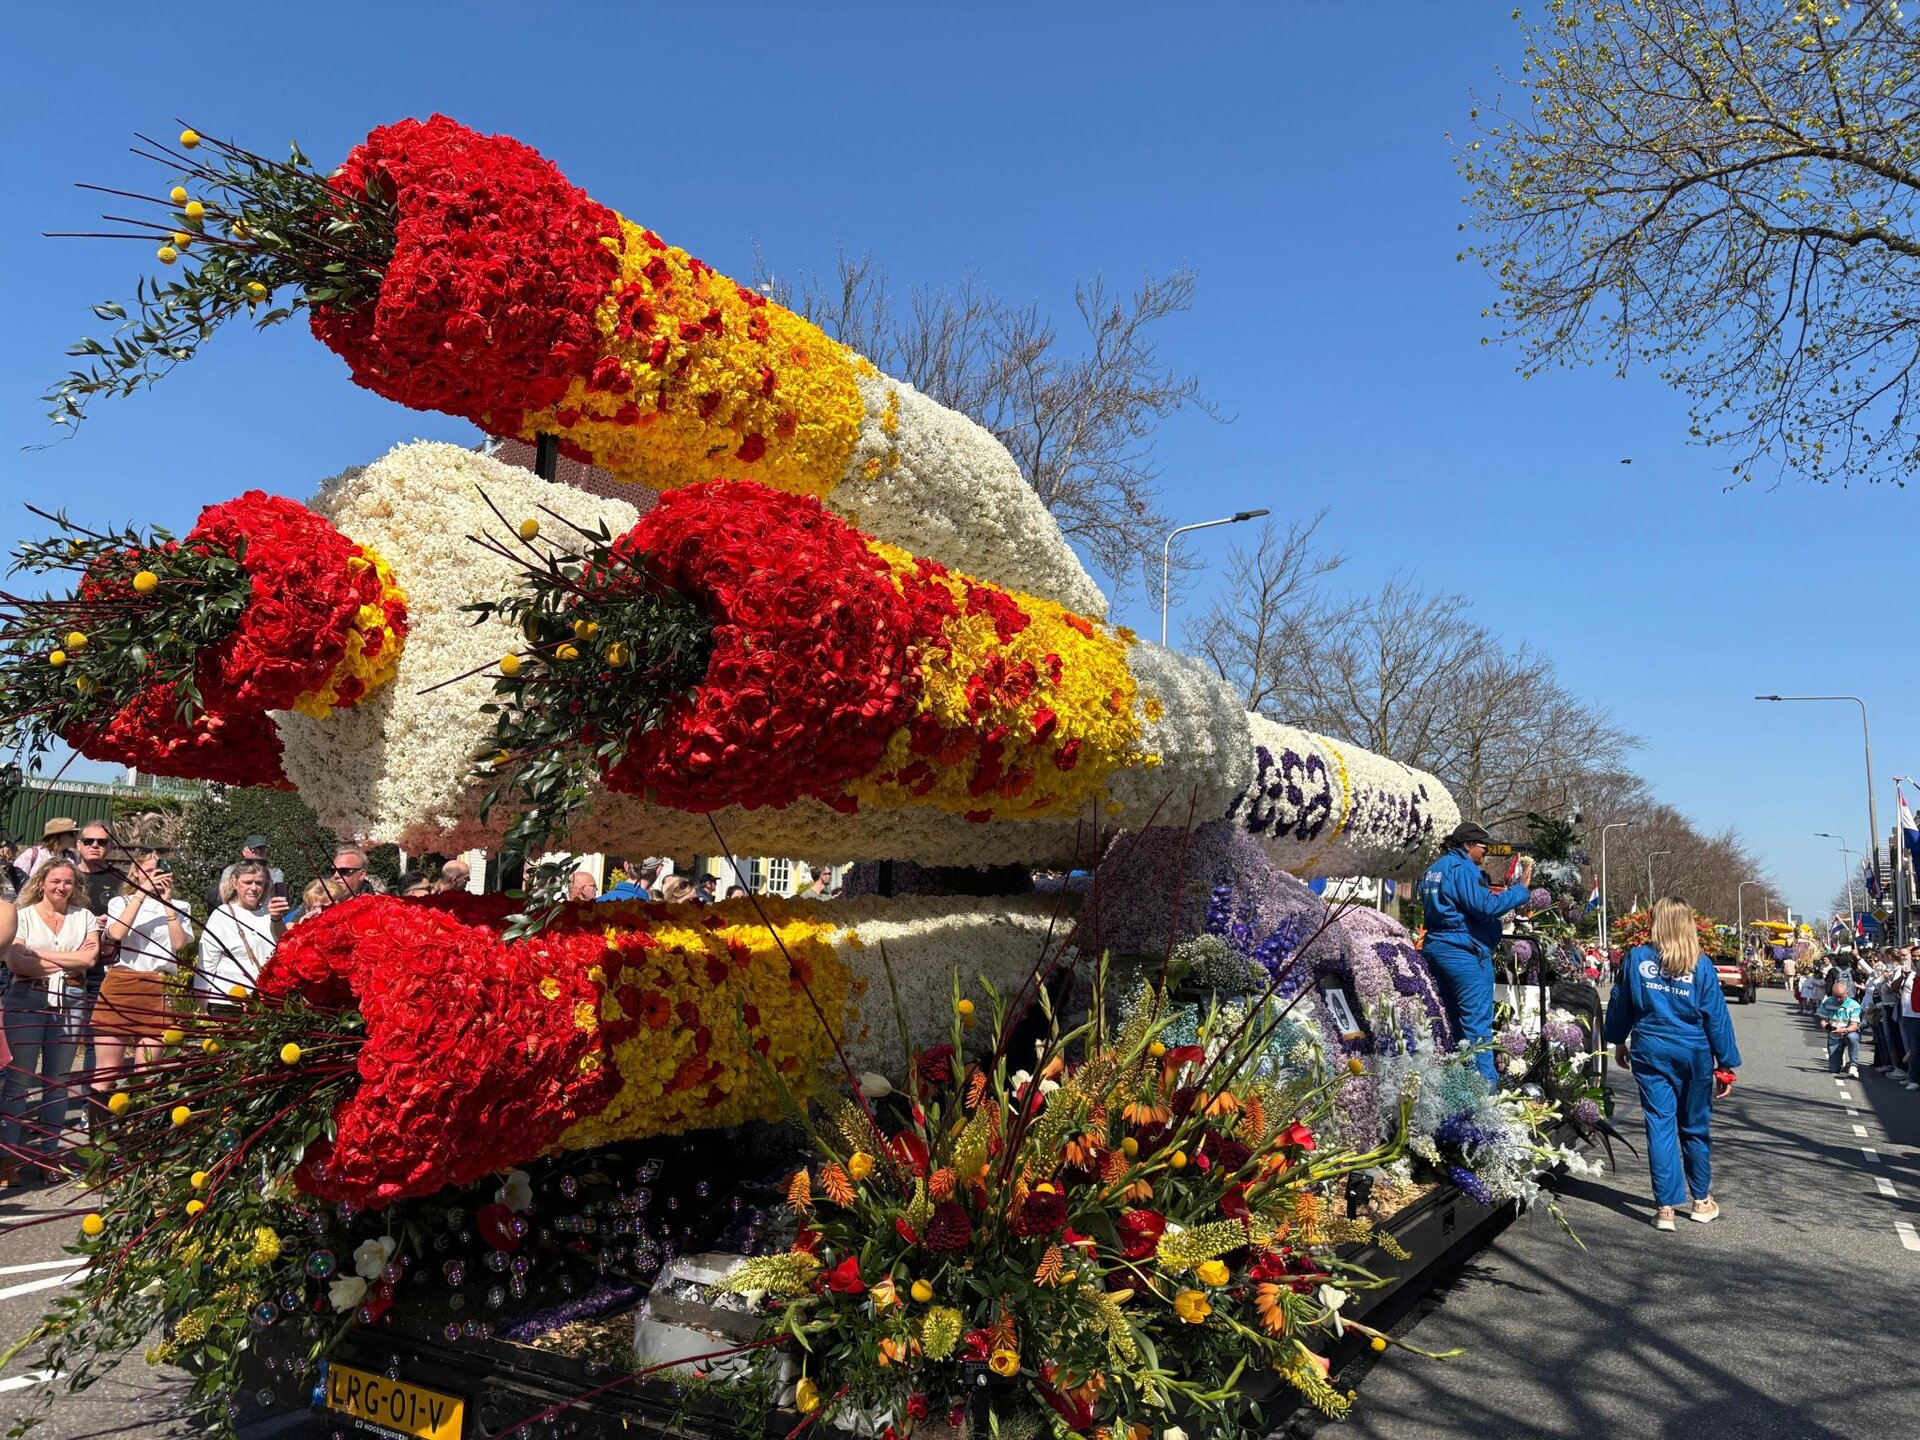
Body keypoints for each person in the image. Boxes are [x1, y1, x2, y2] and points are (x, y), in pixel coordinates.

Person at [1604, 896, 1741, 1230]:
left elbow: (1621, 1003)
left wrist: (1619, 1039)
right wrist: (1725, 1064)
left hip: (1650, 1048)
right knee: (1694, 1126)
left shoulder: (1636, 958)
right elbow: (1716, 1018)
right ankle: (1701, 1200)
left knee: (1659, 1125)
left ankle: (1665, 1207)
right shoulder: (1701, 964)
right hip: (1692, 1052)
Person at [1, 859, 99, 1185]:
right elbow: (16, 963)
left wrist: (39, 956)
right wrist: (67, 962)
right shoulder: (23, 915)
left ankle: (48, 1154)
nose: (61, 887)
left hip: (70, 1000)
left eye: (68, 882)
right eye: (55, 881)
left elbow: (89, 959)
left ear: (76, 886)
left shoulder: (83, 917)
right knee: (18, 1081)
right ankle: (7, 1159)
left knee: (56, 1082)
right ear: (42, 882)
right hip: (27, 998)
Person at [1418, 821, 1539, 1083]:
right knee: (1477, 1029)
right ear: (1467, 845)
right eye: (1482, 846)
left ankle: (1457, 1087)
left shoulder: (1434, 870)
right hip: (1463, 953)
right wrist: (1520, 891)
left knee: (1451, 1024)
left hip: (1437, 950)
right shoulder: (1462, 868)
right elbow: (1484, 906)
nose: (1484, 851)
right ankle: (1485, 1098)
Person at [95, 852, 190, 1093]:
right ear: (136, 872)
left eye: (160, 870)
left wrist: (167, 904)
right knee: (106, 1071)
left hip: (158, 985)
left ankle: (137, 1128)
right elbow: (116, 934)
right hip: (121, 982)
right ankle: (100, 1127)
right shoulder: (121, 902)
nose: (154, 875)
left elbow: (178, 945)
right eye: (148, 870)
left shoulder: (180, 906)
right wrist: (141, 893)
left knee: (148, 1073)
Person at [198, 861, 288, 999]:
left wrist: (276, 918)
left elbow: (284, 945)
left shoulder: (269, 913)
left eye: (259, 883)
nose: (253, 888)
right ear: (234, 883)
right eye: (247, 882)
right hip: (230, 1001)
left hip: (268, 999)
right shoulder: (222, 915)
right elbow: (207, 963)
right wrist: (202, 1002)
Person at [205, 834, 283, 913]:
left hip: (266, 914)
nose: (258, 854)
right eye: (254, 850)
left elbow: (280, 898)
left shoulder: (276, 873)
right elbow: (224, 896)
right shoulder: (230, 870)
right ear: (244, 852)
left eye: (262, 850)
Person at [1817, 975, 1864, 1078]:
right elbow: (1823, 1021)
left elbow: (1854, 1026)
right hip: (1834, 1036)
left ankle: (1853, 1065)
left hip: (1848, 1033)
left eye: (1841, 996)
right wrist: (1828, 1027)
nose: (1838, 999)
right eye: (1836, 996)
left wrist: (1843, 1030)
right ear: (1832, 994)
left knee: (1853, 1037)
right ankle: (1841, 1062)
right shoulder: (1827, 1002)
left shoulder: (1854, 1005)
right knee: (1834, 1070)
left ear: (1847, 993)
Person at [12, 816, 80, 882]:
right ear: (57, 836)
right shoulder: (32, 854)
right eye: (72, 834)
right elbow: (16, 881)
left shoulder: (72, 857)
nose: (75, 837)